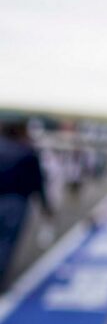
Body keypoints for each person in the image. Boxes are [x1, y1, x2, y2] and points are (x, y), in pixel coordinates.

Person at [0, 119, 53, 285]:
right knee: (6, 242)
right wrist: (45, 206)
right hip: (16, 202)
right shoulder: (27, 152)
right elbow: (38, 182)